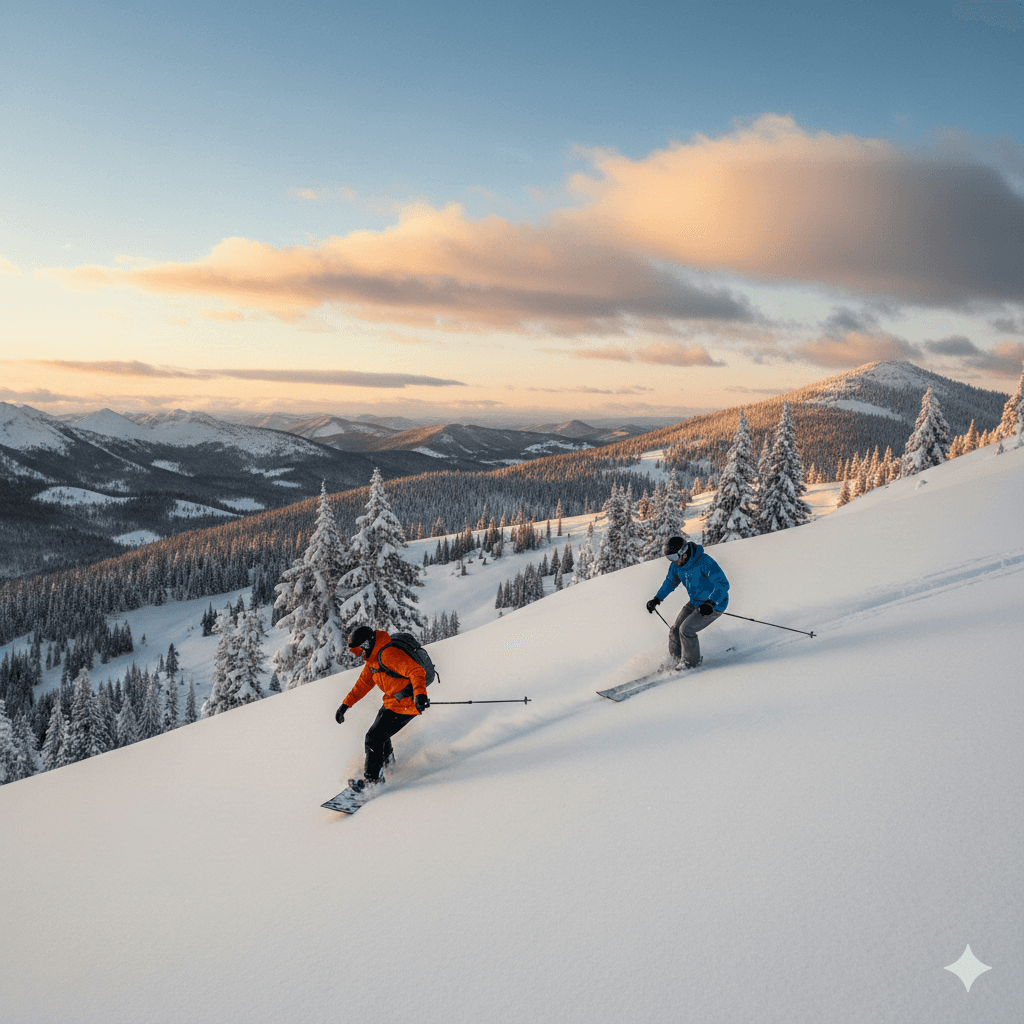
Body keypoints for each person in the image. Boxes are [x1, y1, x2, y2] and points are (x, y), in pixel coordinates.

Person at [335, 624, 429, 792]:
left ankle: (373, 781)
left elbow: (416, 671)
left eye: (361, 647)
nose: (360, 652)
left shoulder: (388, 654)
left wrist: (420, 695)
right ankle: (388, 766)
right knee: (381, 735)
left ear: (369, 642)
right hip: (392, 702)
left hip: (408, 703)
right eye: (357, 650)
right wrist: (345, 705)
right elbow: (361, 685)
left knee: (373, 737)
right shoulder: (372, 660)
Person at [645, 537, 730, 669]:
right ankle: (676, 659)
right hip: (695, 602)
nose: (673, 561)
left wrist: (711, 602)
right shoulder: (676, 566)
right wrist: (657, 599)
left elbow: (722, 584)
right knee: (675, 630)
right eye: (669, 558)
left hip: (714, 604)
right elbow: (670, 582)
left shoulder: (704, 562)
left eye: (674, 557)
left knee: (686, 629)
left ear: (684, 553)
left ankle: (691, 662)